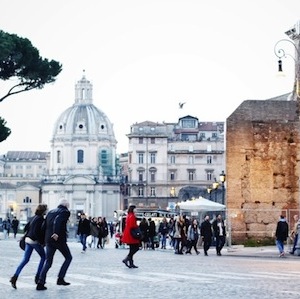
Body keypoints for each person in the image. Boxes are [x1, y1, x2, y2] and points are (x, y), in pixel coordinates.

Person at [36, 199, 73, 291]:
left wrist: (43, 240)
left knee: (48, 262)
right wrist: (56, 233)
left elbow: (44, 226)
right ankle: (60, 278)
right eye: (68, 205)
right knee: (68, 257)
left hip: (49, 240)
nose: (68, 206)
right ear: (65, 205)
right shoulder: (65, 212)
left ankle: (40, 282)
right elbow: (58, 220)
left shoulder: (50, 212)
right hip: (58, 239)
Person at [10, 204, 47, 289]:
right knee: (43, 257)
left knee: (25, 260)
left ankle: (14, 277)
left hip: (27, 240)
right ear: (43, 211)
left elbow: (26, 228)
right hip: (34, 241)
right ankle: (38, 277)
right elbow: (36, 231)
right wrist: (41, 242)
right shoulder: (40, 219)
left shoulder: (33, 217)